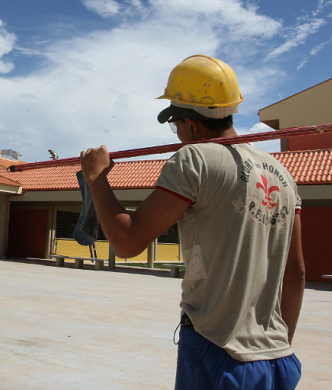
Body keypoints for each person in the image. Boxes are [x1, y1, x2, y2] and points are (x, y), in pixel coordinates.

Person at [80, 54, 305, 389]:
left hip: (218, 351)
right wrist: (277, 342)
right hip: (277, 359)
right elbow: (296, 273)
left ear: (191, 124)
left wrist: (96, 178)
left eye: (175, 124)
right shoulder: (283, 176)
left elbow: (126, 243)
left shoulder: (194, 158)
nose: (178, 133)